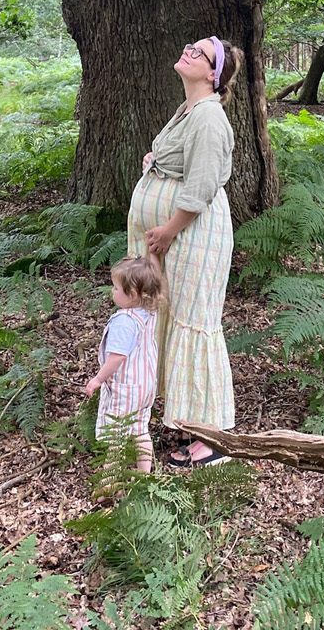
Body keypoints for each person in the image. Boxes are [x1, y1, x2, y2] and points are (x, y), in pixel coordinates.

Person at [131, 35, 243, 467]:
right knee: (173, 317)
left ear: (214, 76)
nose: (189, 52)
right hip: (174, 237)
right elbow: (182, 164)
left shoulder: (211, 118)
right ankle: (186, 420)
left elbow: (200, 187)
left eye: (201, 53)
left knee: (194, 322)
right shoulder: (188, 111)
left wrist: (170, 231)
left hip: (192, 236)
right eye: (190, 47)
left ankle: (213, 438)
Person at [83, 255, 163, 478]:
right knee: (140, 430)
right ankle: (145, 475)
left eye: (116, 288)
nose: (113, 292)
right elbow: (153, 280)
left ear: (133, 294)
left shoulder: (124, 322)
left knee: (115, 436)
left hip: (126, 388)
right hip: (146, 385)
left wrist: (98, 379)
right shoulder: (147, 313)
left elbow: (117, 357)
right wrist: (154, 258)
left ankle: (109, 480)